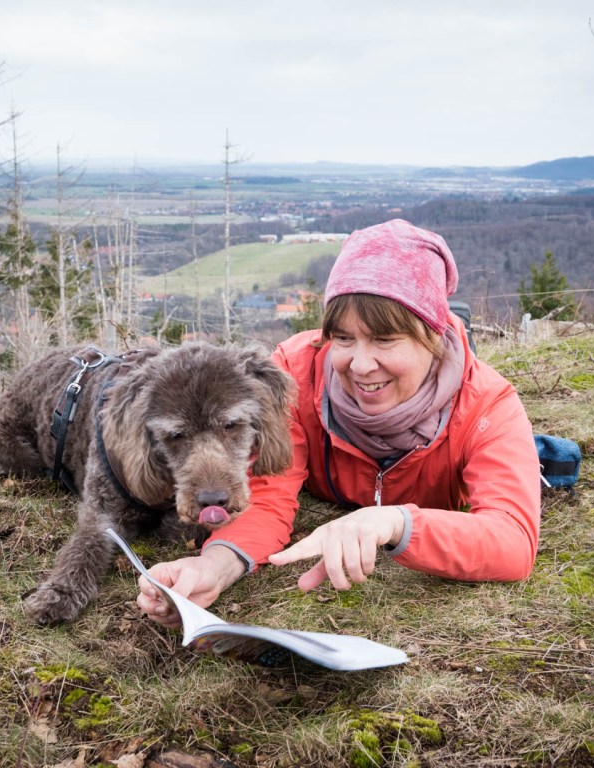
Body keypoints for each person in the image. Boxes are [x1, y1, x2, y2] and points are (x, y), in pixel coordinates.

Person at [137, 219, 541, 625]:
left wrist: (395, 522)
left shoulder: (486, 405)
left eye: (385, 339)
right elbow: (269, 495)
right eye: (344, 338)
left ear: (432, 334)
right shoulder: (294, 376)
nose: (360, 365)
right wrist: (213, 567)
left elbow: (512, 539)